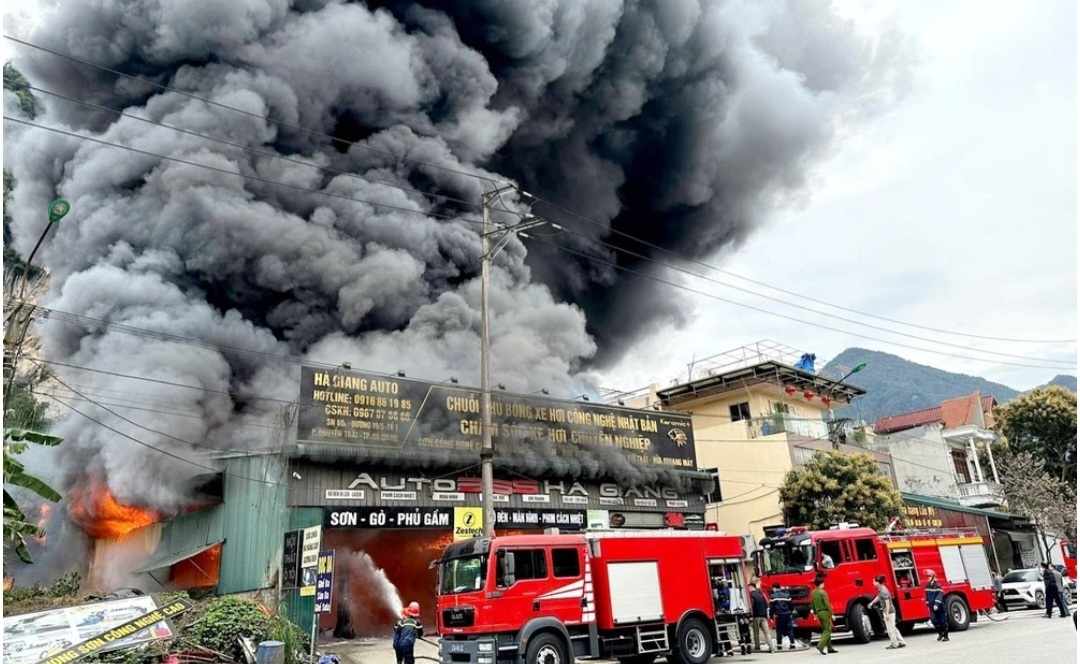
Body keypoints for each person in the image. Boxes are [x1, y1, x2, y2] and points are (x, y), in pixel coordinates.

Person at [868, 575, 906, 650]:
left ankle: (894, 644)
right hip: (889, 611)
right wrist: (872, 603)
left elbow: (887, 602)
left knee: (890, 629)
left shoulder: (883, 590)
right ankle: (901, 642)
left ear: (877, 582)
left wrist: (887, 613)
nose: (873, 583)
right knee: (893, 627)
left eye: (874, 581)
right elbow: (879, 597)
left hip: (889, 612)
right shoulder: (881, 589)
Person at [810, 576, 837, 655]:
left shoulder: (813, 592)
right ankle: (820, 645)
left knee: (825, 630)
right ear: (821, 584)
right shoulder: (823, 592)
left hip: (818, 613)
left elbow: (812, 604)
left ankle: (830, 648)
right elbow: (827, 604)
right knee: (828, 630)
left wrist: (815, 614)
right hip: (825, 612)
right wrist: (832, 614)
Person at [748, 581, 774, 653]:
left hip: (756, 617)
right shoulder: (761, 594)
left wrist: (750, 616)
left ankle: (757, 647)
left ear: (751, 587)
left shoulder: (751, 595)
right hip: (764, 616)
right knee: (767, 633)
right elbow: (766, 605)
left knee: (756, 633)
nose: (748, 589)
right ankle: (772, 648)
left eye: (749, 587)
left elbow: (752, 606)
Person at [770, 583, 797, 650]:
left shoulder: (773, 596)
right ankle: (792, 644)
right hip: (787, 615)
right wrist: (791, 612)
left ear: (774, 588)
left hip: (779, 615)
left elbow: (772, 608)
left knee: (779, 630)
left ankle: (779, 645)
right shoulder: (787, 595)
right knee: (789, 630)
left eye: (773, 588)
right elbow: (791, 605)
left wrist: (771, 616)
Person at [924, 570, 949, 642]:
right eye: (927, 576)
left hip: (939, 607)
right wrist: (927, 603)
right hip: (932, 607)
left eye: (929, 576)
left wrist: (936, 604)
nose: (928, 578)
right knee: (934, 620)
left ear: (933, 577)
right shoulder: (927, 586)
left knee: (943, 621)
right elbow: (927, 596)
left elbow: (940, 595)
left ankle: (946, 636)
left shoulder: (938, 585)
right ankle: (940, 634)